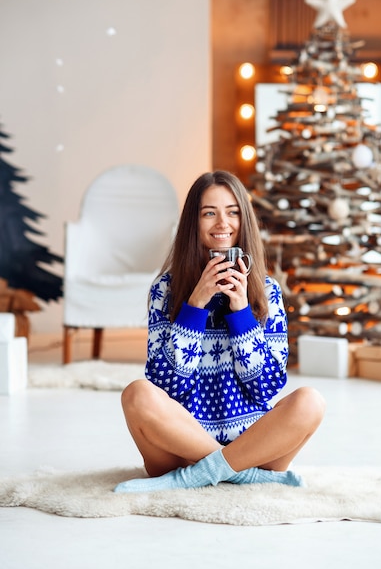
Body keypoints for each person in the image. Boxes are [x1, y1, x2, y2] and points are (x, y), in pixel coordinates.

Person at [114, 170, 325, 493]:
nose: (222, 223)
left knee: (310, 401)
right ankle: (241, 475)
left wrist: (241, 311)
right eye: (209, 213)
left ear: (244, 220)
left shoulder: (266, 291)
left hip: (255, 446)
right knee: (137, 394)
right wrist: (195, 306)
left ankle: (200, 475)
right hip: (179, 447)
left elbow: (265, 388)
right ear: (193, 224)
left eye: (232, 212)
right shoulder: (165, 290)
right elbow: (167, 386)